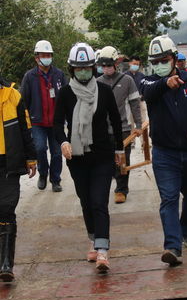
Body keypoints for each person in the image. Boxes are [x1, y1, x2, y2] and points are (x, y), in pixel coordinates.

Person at [141, 34, 187, 266]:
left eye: (164, 60)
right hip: (165, 154)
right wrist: (165, 83)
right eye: (156, 61)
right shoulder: (148, 82)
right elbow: (149, 92)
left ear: (173, 58)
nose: (160, 65)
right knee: (169, 198)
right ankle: (172, 246)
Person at [54, 43, 124, 273]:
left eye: (86, 67)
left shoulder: (103, 91)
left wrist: (119, 150)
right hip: (77, 158)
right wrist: (64, 141)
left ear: (93, 68)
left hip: (103, 155)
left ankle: (103, 250)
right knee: (85, 201)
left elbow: (115, 120)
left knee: (98, 201)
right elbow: (56, 124)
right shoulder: (65, 93)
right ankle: (93, 239)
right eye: (78, 68)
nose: (83, 71)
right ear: (71, 69)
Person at [0, 72, 37, 281]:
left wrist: (31, 157)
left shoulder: (13, 96)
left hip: (8, 163)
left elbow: (25, 127)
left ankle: (6, 263)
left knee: (6, 207)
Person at [97, 46, 142, 204]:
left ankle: (121, 189)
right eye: (103, 66)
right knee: (106, 161)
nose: (106, 68)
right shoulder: (97, 82)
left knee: (123, 160)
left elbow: (135, 103)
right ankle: (109, 184)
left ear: (116, 63)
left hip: (123, 129)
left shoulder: (127, 80)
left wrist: (138, 125)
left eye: (109, 65)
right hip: (103, 130)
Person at [21, 40, 66, 192]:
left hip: (56, 122)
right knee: (39, 149)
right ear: (36, 58)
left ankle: (55, 179)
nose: (47, 57)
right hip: (37, 122)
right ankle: (42, 174)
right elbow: (24, 100)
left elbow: (66, 97)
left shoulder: (59, 74)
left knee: (57, 152)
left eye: (49, 55)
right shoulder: (29, 76)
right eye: (43, 55)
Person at [125, 55, 147, 123]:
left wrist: (143, 96)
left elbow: (145, 88)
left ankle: (144, 133)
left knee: (143, 121)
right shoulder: (124, 76)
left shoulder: (142, 76)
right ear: (129, 63)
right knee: (130, 122)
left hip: (140, 101)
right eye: (134, 64)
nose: (136, 66)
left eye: (137, 64)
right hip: (129, 103)